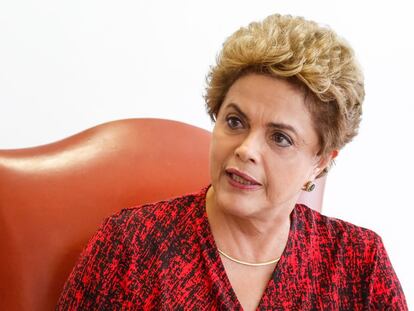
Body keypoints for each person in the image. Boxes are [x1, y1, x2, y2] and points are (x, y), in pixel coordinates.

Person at [56, 14, 407, 310]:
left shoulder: (360, 263)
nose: (246, 149)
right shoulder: (129, 245)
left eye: (280, 138)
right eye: (235, 122)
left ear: (319, 162)